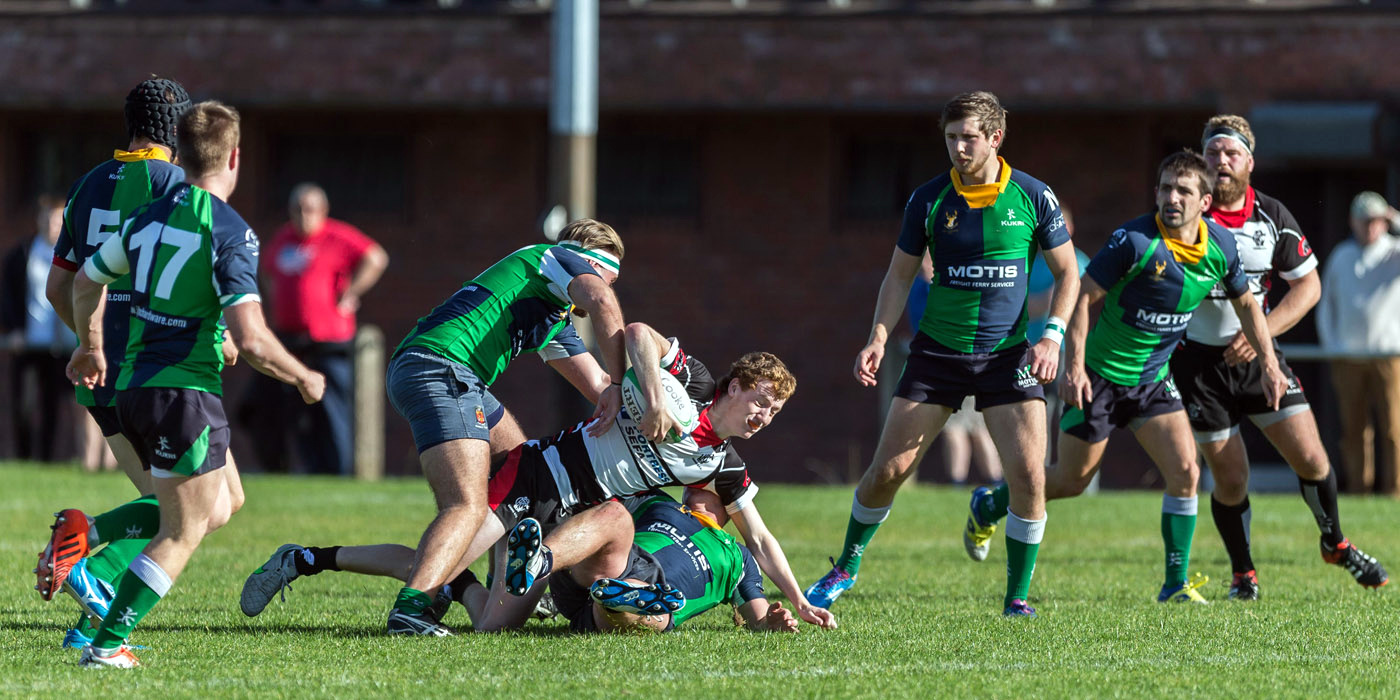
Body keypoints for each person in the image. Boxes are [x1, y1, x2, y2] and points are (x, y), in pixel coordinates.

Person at [240, 327, 835, 632]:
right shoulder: (694, 382)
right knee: (433, 565)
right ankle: (308, 560)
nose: (764, 416)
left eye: (774, 412)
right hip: (539, 475)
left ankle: (506, 570)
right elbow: (637, 334)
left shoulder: (724, 464)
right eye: (762, 401)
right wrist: (654, 396)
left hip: (572, 518)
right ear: (735, 386)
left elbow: (760, 539)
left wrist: (800, 601)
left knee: (492, 624)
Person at [65, 100, 325, 668]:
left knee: (216, 505)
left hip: (134, 387)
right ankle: (104, 639)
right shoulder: (230, 229)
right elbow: (253, 339)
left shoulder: (147, 218)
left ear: (179, 157)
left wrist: (90, 345)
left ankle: (87, 549)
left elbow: (83, 282)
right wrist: (304, 376)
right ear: (234, 158)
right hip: (183, 392)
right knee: (184, 529)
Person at [806, 91, 1081, 618]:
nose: (958, 147)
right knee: (888, 471)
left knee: (1029, 478)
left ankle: (1016, 597)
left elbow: (1069, 273)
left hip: (1008, 357)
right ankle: (845, 566)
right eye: (951, 137)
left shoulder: (1033, 195)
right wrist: (878, 337)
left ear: (995, 138)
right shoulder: (928, 199)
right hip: (938, 355)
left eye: (969, 138)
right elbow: (899, 276)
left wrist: (1052, 336)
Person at [972, 150, 1286, 604]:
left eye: (1183, 191)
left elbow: (1248, 307)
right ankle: (990, 503)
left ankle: (1174, 584)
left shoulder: (1221, 246)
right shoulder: (1135, 242)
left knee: (1186, 471)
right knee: (1071, 481)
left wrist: (1270, 364)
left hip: (1153, 380)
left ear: (1205, 202)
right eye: (1165, 188)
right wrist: (1074, 367)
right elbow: (1082, 297)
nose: (1171, 198)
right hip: (1098, 378)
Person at [378, 217, 629, 635]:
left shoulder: (553, 313)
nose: (610, 287)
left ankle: (500, 588)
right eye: (610, 275)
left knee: (523, 466)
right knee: (466, 505)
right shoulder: (552, 257)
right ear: (588, 263)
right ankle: (412, 609)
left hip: (441, 371)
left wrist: (662, 407)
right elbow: (601, 301)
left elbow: (600, 385)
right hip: (441, 367)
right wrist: (622, 382)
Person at [1171, 115, 1388, 599]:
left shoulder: (1271, 216)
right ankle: (1243, 574)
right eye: (1212, 152)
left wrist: (1260, 335)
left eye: (1231, 153)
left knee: (1313, 458)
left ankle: (1334, 542)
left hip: (1260, 359)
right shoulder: (1183, 213)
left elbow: (1308, 286)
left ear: (1249, 162)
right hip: (1200, 368)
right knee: (1231, 480)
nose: (1221, 161)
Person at [34, 77, 194, 648]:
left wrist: (89, 342)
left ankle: (88, 582)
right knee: (193, 508)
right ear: (179, 130)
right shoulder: (174, 184)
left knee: (182, 502)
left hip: (101, 377)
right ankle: (92, 575)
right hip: (160, 372)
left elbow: (58, 287)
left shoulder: (87, 184)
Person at [504, 489, 799, 634]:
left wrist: (771, 622)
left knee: (637, 597)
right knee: (614, 514)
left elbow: (758, 617)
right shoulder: (661, 502)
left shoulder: (738, 556)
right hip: (611, 567)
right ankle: (540, 560)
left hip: (645, 603)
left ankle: (623, 597)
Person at [247, 183, 388, 475]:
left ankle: (338, 471)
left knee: (332, 410)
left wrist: (351, 293)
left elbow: (376, 258)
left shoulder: (337, 235)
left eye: (310, 209)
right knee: (288, 411)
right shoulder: (284, 238)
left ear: (323, 210)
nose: (303, 215)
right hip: (289, 340)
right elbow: (268, 271)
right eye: (297, 209)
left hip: (329, 342)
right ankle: (299, 468)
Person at [1318, 191, 1400, 499]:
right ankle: (1358, 491)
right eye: (1365, 220)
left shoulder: (1394, 252)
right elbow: (1326, 304)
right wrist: (1332, 346)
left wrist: (1396, 219)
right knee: (1353, 430)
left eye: (1376, 220)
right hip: (1348, 358)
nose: (1370, 226)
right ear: (1352, 221)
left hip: (1389, 355)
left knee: (1393, 429)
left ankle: (1394, 492)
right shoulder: (1341, 256)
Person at [2, 195, 76, 461]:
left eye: (56, 221)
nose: (51, 225)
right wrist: (13, 329)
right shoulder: (22, 254)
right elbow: (7, 295)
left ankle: (48, 458)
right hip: (28, 343)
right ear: (38, 221)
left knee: (54, 404)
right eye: (46, 219)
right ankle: (23, 456)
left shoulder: (72, 256)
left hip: (61, 345)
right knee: (25, 403)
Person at [1026, 205, 1091, 466]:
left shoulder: (1078, 261)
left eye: (1061, 223)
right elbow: (1029, 306)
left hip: (1066, 351)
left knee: (1071, 413)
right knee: (1035, 414)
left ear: (1070, 228)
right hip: (1030, 349)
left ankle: (1076, 476)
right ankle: (1038, 474)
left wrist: (1046, 299)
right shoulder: (1031, 261)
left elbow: (1073, 303)